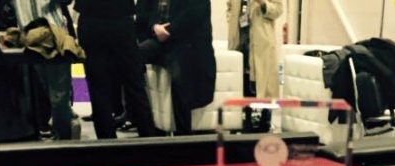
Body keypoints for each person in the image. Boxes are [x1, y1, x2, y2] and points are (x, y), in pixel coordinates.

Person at [73, 0, 156, 139]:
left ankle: (107, 142)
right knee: (134, 82)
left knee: (98, 87)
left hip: (90, 19)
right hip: (121, 18)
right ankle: (148, 138)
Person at [136, 0, 216, 135]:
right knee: (132, 59)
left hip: (188, 45)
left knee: (180, 77)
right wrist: (155, 27)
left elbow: (192, 16)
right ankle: (145, 125)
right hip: (164, 41)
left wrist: (167, 31)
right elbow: (154, 11)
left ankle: (183, 134)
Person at [12, 0, 76, 140]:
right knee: (52, 93)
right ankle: (62, 136)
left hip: (47, 35)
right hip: (36, 37)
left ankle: (62, 139)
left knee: (55, 96)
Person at [227, 0, 283, 98]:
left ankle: (262, 107)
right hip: (239, 44)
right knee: (240, 87)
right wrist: (231, 20)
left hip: (261, 44)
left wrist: (262, 3)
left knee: (261, 89)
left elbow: (278, 9)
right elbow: (229, 7)